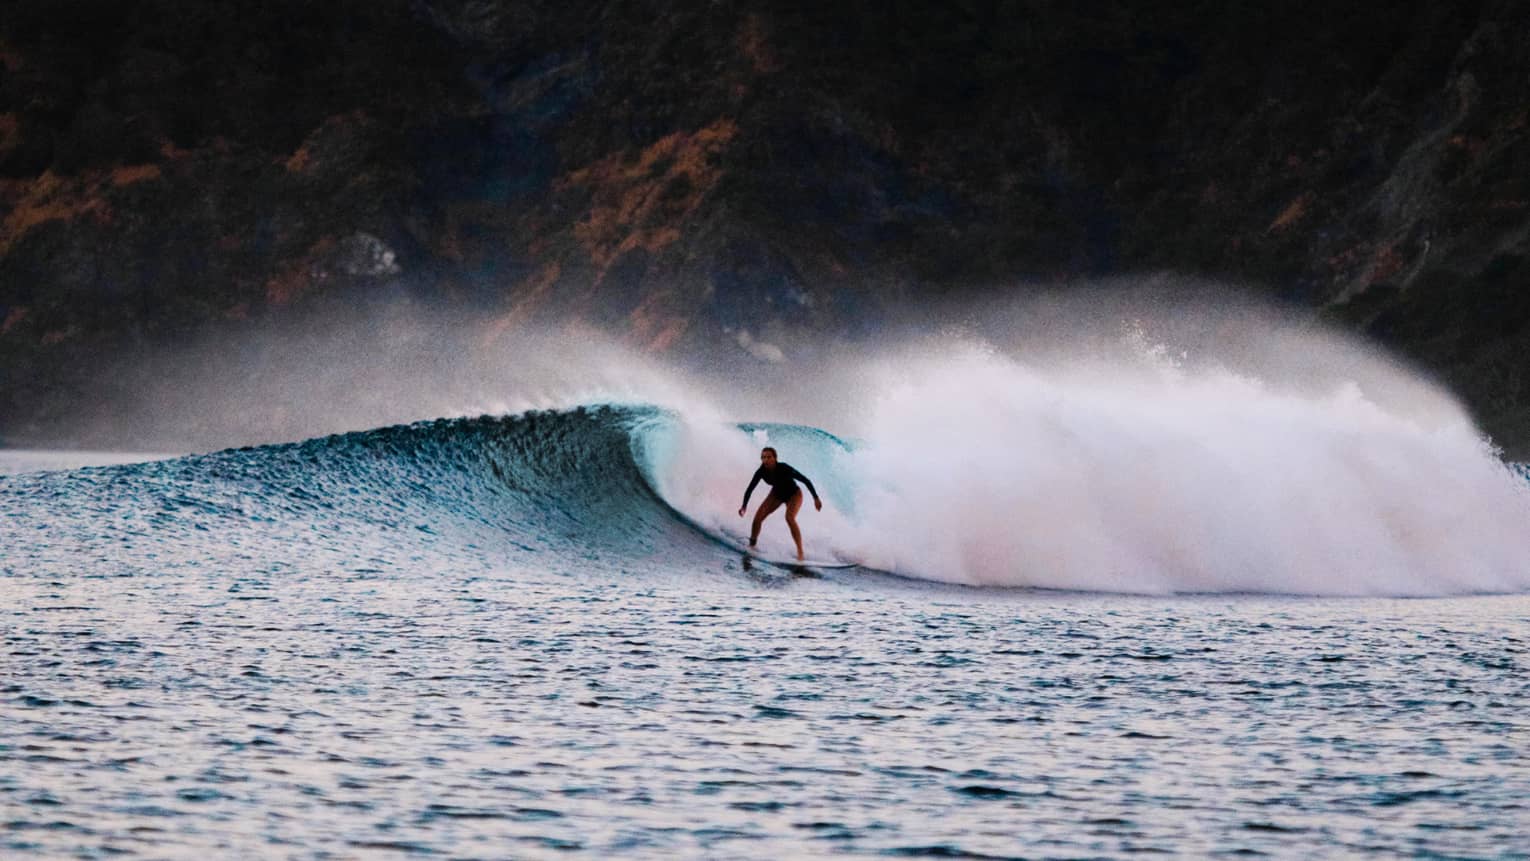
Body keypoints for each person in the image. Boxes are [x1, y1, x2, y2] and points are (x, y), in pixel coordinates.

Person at [737, 446, 822, 561]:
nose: (765, 460)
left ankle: (800, 553)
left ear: (775, 458)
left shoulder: (784, 468)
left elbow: (805, 480)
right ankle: (752, 545)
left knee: (789, 517)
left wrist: (815, 498)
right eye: (763, 457)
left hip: (794, 495)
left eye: (768, 457)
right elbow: (750, 489)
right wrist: (744, 506)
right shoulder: (761, 471)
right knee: (757, 518)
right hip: (776, 494)